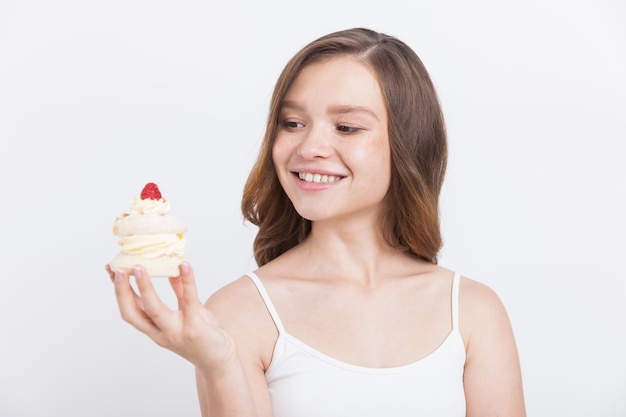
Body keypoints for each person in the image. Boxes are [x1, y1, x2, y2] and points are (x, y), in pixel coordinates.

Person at [107, 27, 526, 417]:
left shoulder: (471, 310)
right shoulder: (239, 312)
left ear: (408, 144)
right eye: (292, 124)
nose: (310, 147)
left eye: (346, 127)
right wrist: (220, 367)